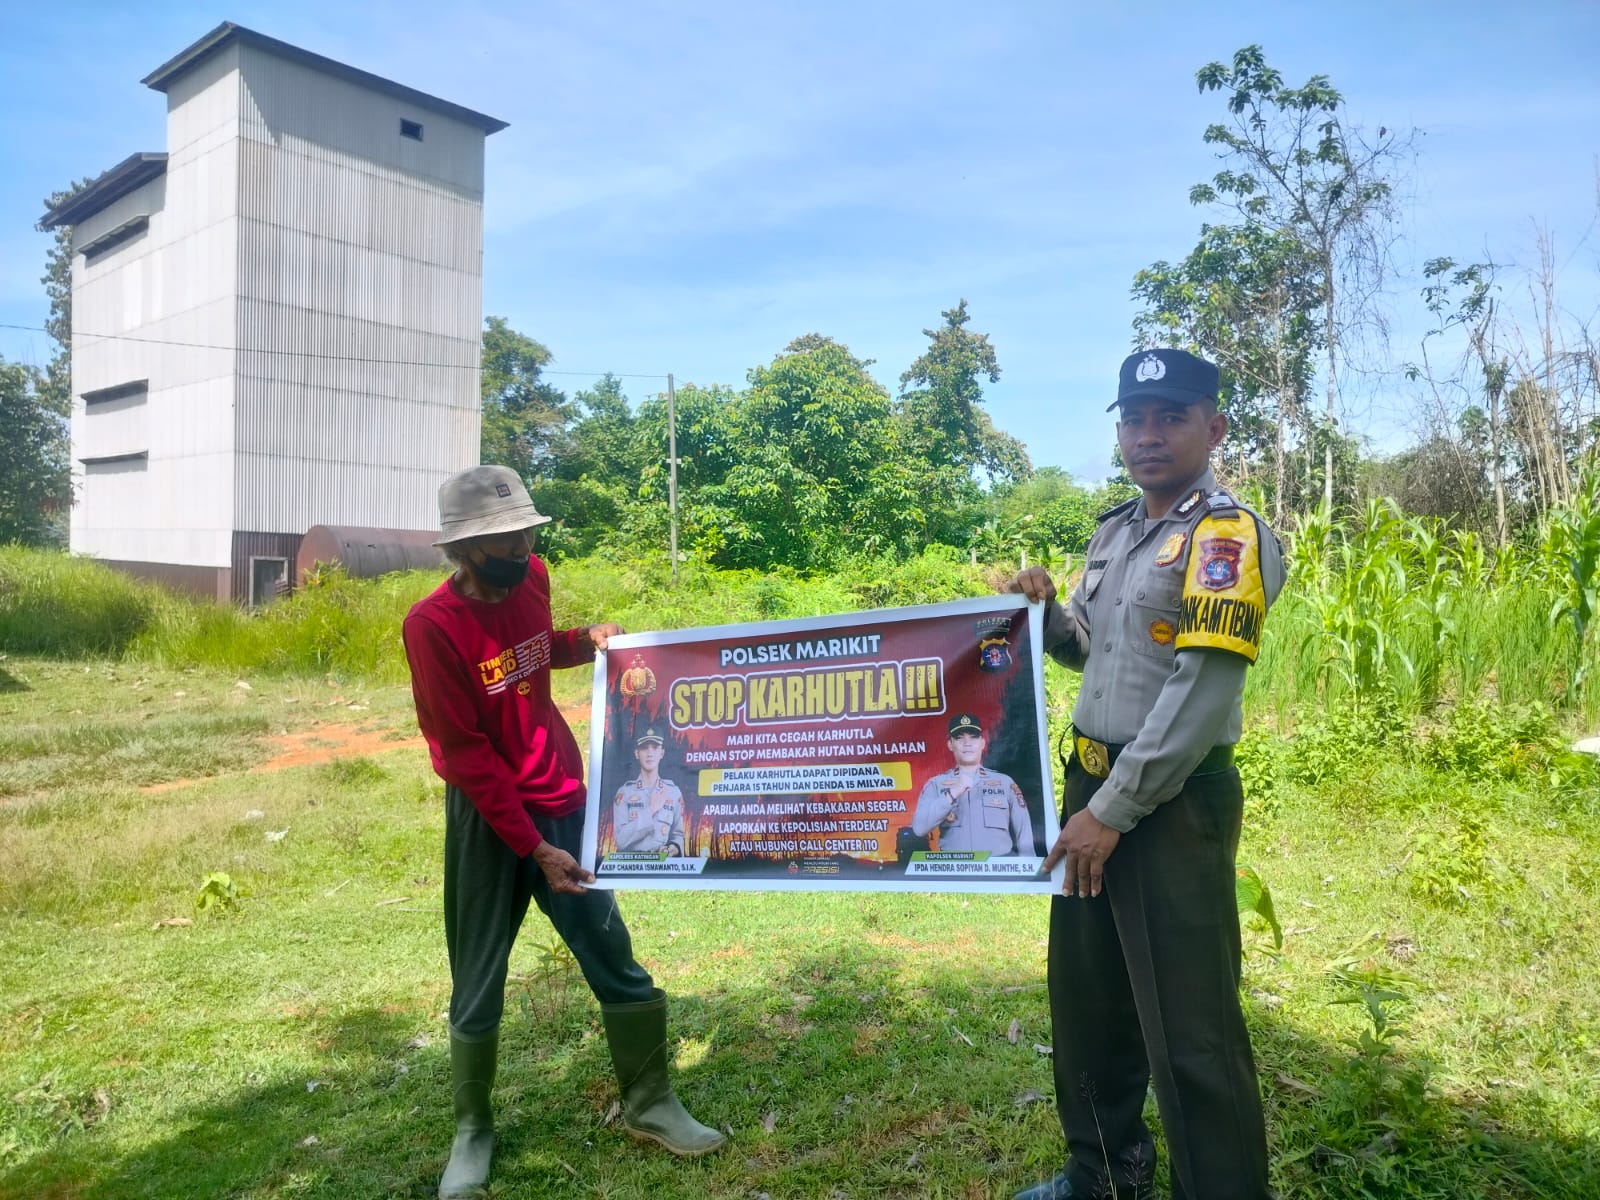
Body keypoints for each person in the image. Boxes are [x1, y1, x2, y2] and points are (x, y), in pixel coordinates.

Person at [1006, 349, 1285, 1200]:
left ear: (1214, 427)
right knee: (1087, 1000)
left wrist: (1116, 810)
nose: (1148, 435)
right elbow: (1086, 653)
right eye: (1134, 419)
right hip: (1090, 788)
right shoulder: (1114, 531)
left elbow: (1201, 692)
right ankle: (1104, 1170)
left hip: (1168, 803)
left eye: (1170, 416)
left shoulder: (1226, 538)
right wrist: (1045, 612)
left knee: (1190, 1026)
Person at [402, 465, 724, 1200]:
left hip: (564, 801)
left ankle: (649, 1104)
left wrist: (588, 639)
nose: (522, 545)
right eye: (505, 538)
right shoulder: (432, 627)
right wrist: (531, 847)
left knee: (612, 951)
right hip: (490, 821)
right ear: (467, 548)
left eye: (524, 532)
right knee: (477, 978)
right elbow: (464, 755)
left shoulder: (534, 577)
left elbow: (538, 649)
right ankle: (472, 1131)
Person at [910, 713, 1035, 855]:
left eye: (973, 737)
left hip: (998, 870)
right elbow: (919, 828)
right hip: (955, 871)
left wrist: (1030, 871)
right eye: (959, 738)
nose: (967, 743)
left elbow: (1024, 834)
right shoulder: (935, 784)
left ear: (982, 742)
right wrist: (952, 793)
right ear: (950, 744)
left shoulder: (1005, 783)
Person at [610, 728, 688, 856]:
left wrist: (673, 848)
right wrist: (651, 809)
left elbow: (678, 835)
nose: (650, 753)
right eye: (645, 748)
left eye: (655, 747)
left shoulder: (673, 792)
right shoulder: (625, 793)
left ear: (662, 753)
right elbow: (620, 840)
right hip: (631, 869)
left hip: (662, 869)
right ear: (637, 753)